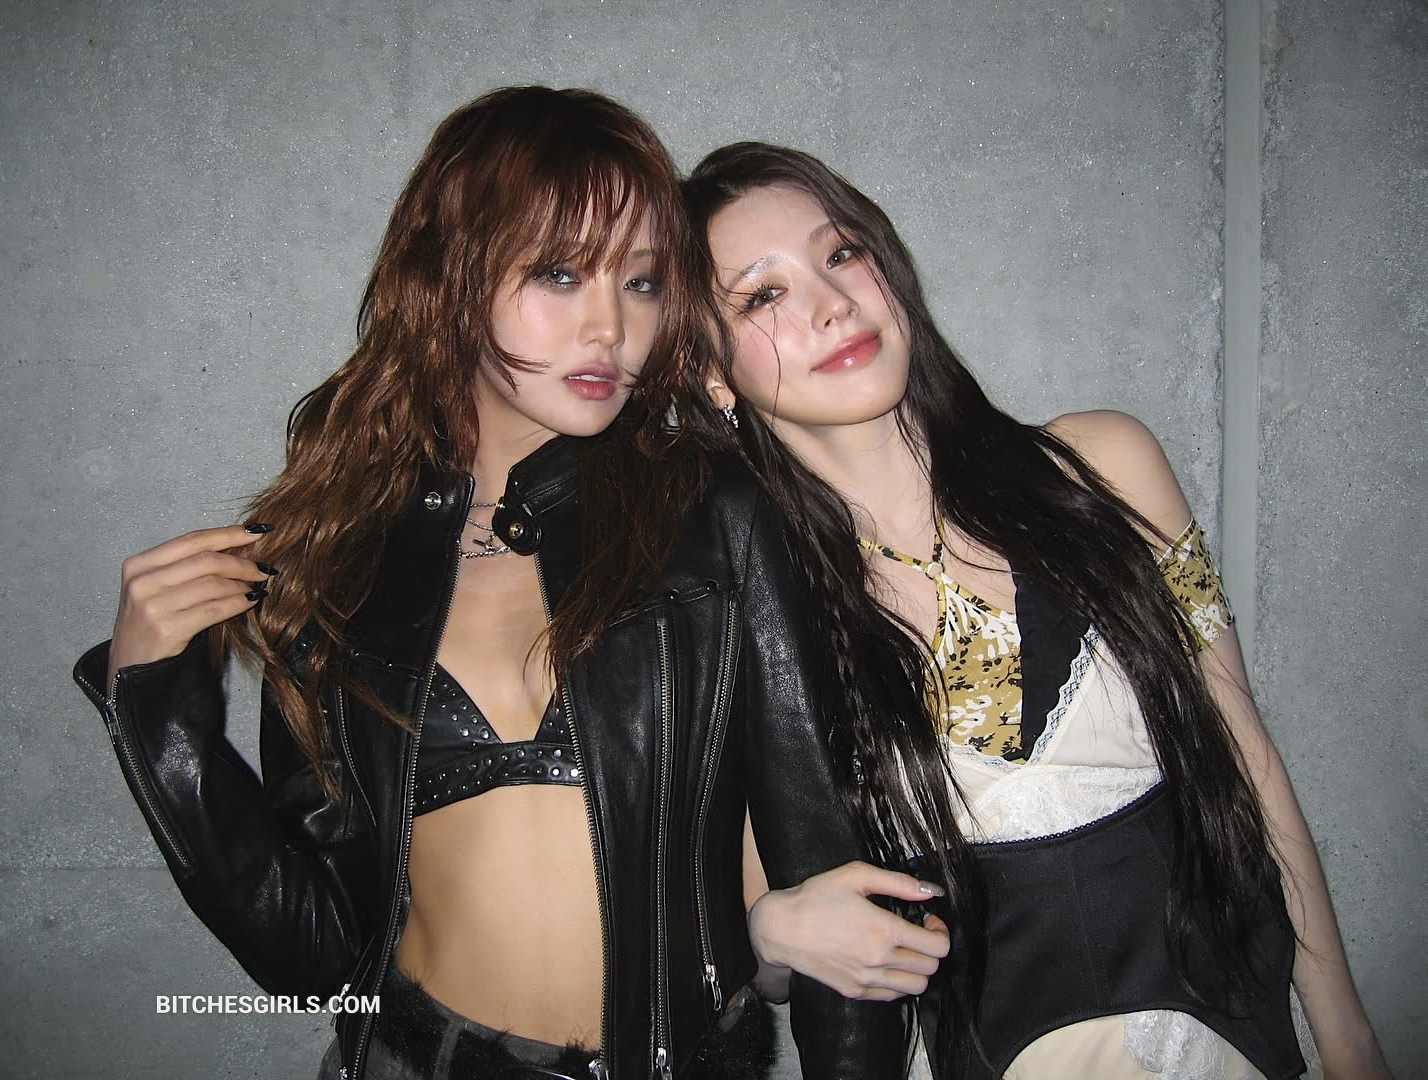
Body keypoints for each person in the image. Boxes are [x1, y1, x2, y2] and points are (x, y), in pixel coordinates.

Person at [71, 89, 925, 1080]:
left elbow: (833, 888)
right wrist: (156, 712)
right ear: (452, 273)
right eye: (559, 272)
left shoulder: (713, 511)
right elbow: (317, 961)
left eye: (642, 281)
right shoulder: (334, 560)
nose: (609, 324)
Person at [683, 142, 1395, 1080]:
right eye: (763, 294)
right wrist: (769, 931)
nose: (832, 304)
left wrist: (1346, 1034)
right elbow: (780, 940)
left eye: (842, 253)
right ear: (713, 374)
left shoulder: (1104, 468)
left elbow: (1246, 758)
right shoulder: (764, 619)